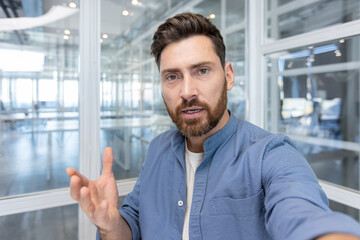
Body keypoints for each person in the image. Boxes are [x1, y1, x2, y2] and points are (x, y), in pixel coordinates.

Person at [67, 13, 360, 240]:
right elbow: (132, 227)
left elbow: (304, 215)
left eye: (202, 71)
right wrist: (110, 226)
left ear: (229, 76)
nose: (187, 91)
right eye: (172, 76)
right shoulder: (158, 149)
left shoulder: (271, 154)